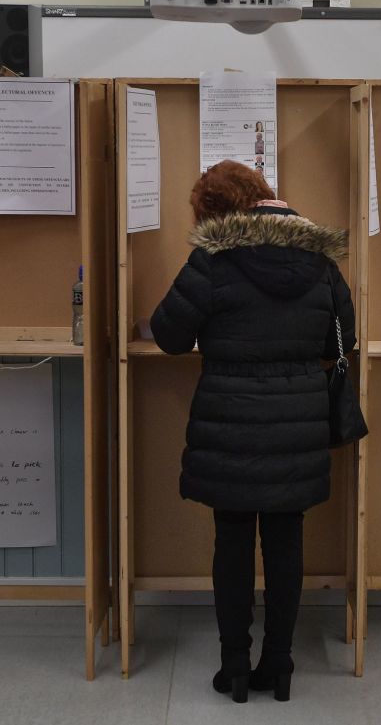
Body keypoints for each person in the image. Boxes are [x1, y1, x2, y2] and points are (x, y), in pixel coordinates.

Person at [151, 160, 355, 705]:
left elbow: (169, 335)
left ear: (218, 212)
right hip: (297, 423)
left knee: (233, 542)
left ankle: (235, 668)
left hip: (231, 424)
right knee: (286, 541)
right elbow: (344, 335)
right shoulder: (320, 257)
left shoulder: (213, 259)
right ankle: (281, 665)